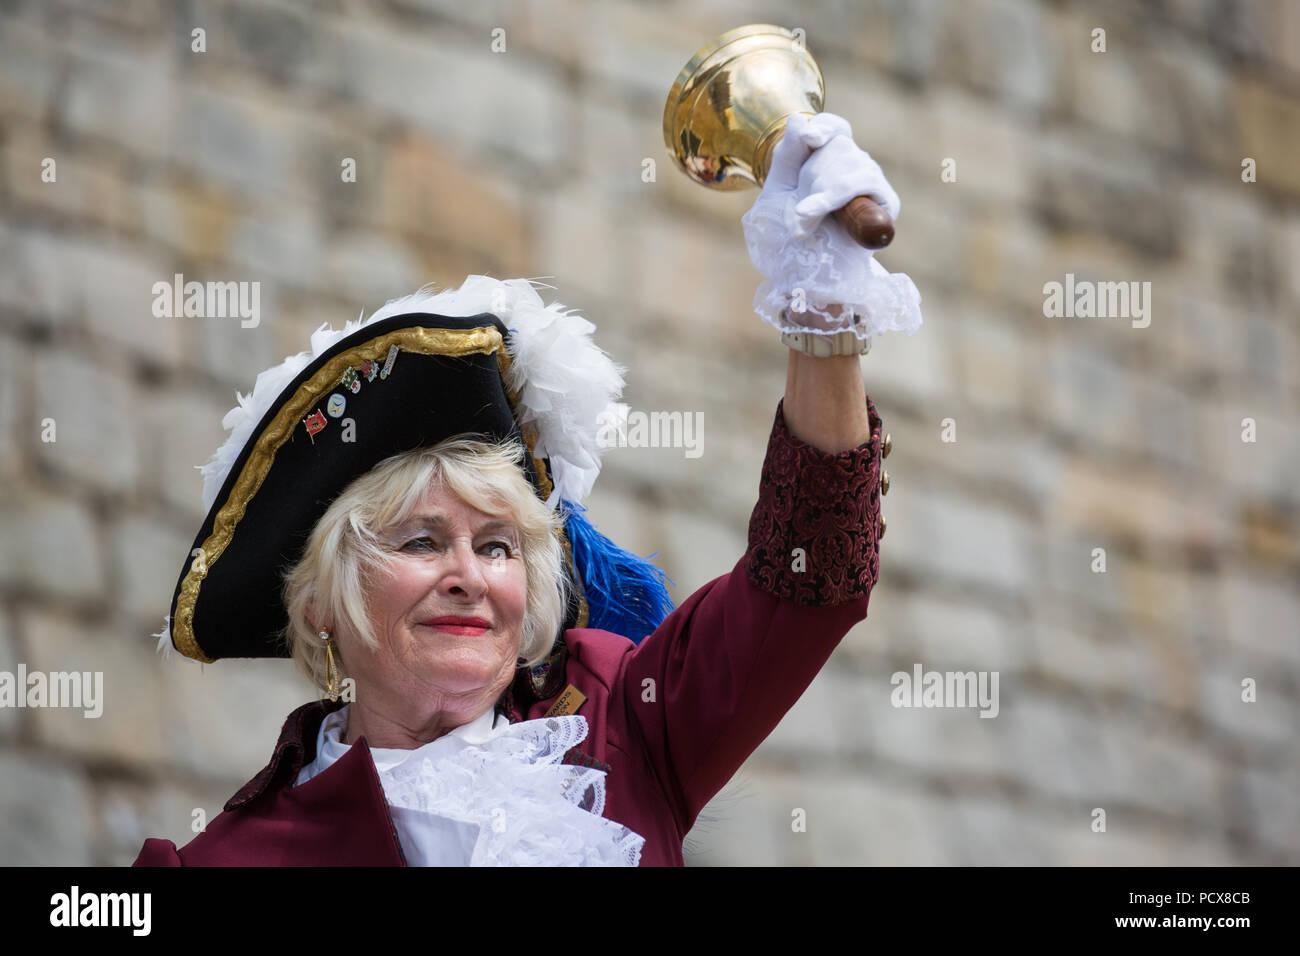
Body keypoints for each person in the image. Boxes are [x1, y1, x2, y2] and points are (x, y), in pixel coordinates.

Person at [133, 111, 921, 867]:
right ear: (319, 604)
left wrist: (824, 319)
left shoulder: (625, 722)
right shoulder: (223, 863)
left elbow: (805, 579)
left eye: (498, 547)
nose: (469, 578)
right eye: (420, 540)